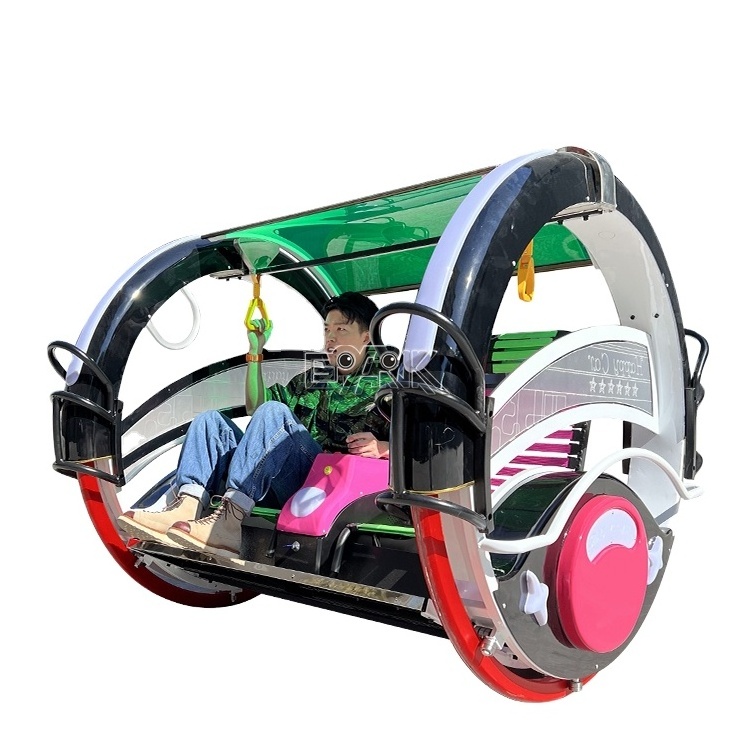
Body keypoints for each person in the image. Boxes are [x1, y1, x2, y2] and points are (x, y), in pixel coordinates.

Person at [117, 291, 390, 558]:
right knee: (210, 423)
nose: (330, 338)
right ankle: (186, 504)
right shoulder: (314, 378)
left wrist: (383, 447)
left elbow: (414, 444)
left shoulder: (389, 385)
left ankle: (229, 522)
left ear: (366, 336)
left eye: (341, 330)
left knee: (274, 412)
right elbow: (256, 407)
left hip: (327, 486)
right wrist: (255, 352)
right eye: (327, 329)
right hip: (289, 479)